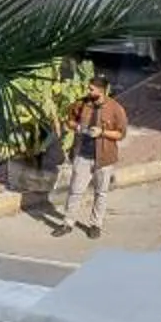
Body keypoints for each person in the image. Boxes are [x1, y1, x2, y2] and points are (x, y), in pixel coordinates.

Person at [49, 70, 128, 240]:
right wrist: (77, 127)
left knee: (101, 193)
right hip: (83, 156)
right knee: (75, 191)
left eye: (92, 89)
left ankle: (95, 225)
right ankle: (67, 223)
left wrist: (102, 132)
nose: (88, 92)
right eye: (89, 88)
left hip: (104, 158)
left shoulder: (116, 109)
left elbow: (121, 134)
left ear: (102, 90)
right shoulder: (81, 104)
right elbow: (69, 120)